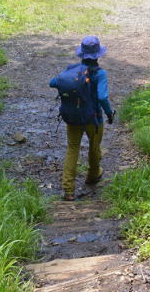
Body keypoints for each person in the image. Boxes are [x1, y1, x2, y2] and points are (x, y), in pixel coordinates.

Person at [49, 36, 115, 201]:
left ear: (82, 54)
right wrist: (109, 113)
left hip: (73, 118)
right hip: (94, 118)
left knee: (72, 149)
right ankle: (93, 175)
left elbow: (53, 82)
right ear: (98, 55)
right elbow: (102, 97)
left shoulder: (73, 70)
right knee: (94, 147)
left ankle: (68, 188)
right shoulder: (100, 74)